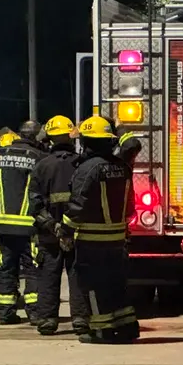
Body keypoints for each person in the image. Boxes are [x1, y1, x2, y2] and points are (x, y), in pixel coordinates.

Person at [59, 116, 140, 344]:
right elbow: (131, 206)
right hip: (117, 240)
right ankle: (127, 328)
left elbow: (78, 205)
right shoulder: (122, 167)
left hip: (91, 241)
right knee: (117, 285)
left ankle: (101, 330)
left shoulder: (87, 169)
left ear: (87, 142)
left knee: (93, 287)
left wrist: (65, 230)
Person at [0, 120, 46, 325]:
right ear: (35, 137)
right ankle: (34, 313)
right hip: (29, 227)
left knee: (5, 269)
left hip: (1, 226)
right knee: (32, 269)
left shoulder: (0, 154)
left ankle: (6, 313)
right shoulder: (39, 157)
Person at [30, 115, 88, 336]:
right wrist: (69, 228)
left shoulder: (41, 166)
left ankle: (47, 320)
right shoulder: (81, 164)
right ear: (72, 138)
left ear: (50, 139)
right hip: (77, 231)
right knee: (78, 274)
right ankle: (81, 318)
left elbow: (34, 203)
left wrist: (53, 227)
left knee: (48, 275)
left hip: (49, 233)